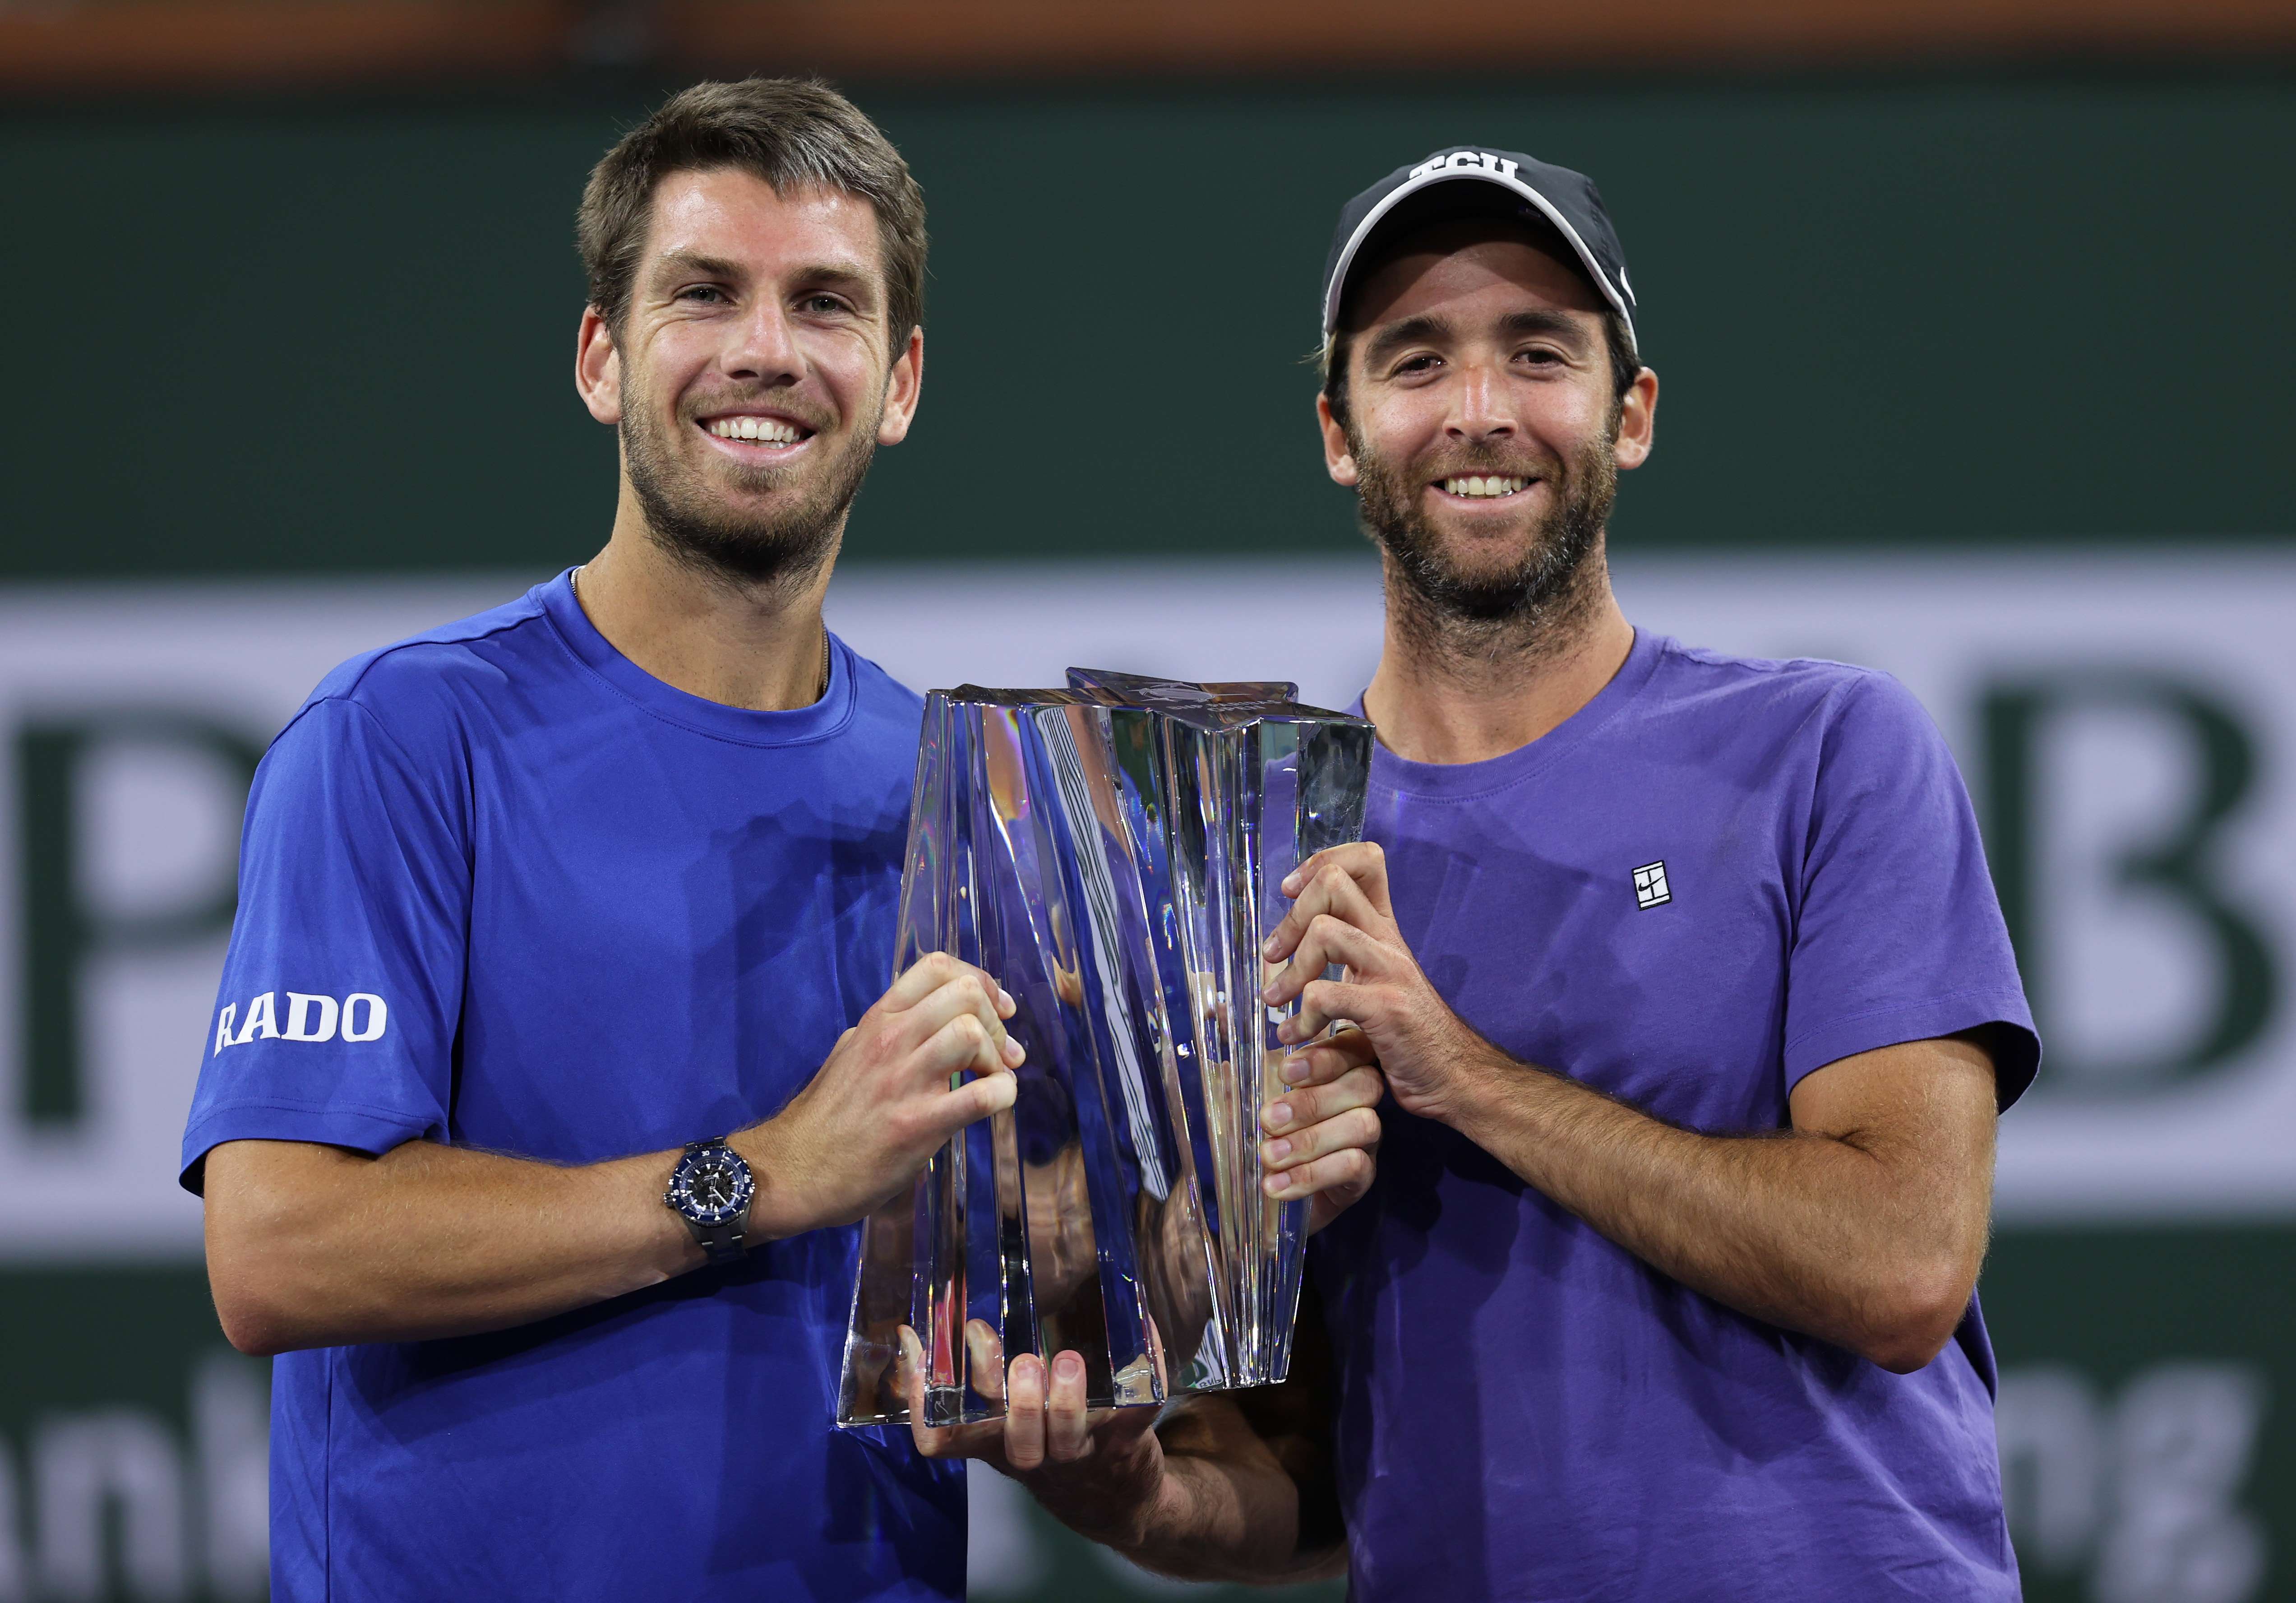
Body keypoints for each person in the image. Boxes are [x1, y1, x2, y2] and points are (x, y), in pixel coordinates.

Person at [179, 79, 1377, 1602]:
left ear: (899, 381)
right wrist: (756, 1178)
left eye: (824, 303)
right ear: (601, 358)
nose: (765, 351)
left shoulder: (981, 799)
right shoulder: (401, 742)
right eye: (704, 294)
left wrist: (1242, 1203)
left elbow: (1105, 1321)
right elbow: (279, 1249)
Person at [915, 147, 2039, 1601]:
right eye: (1415, 361)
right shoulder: (1244, 865)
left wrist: (1460, 1076)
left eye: (1538, 354)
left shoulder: (1828, 750)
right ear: (1339, 429)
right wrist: (1120, 1484)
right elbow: (1300, 1485)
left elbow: (1900, 1267)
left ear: (1628, 413)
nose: (1478, 411)